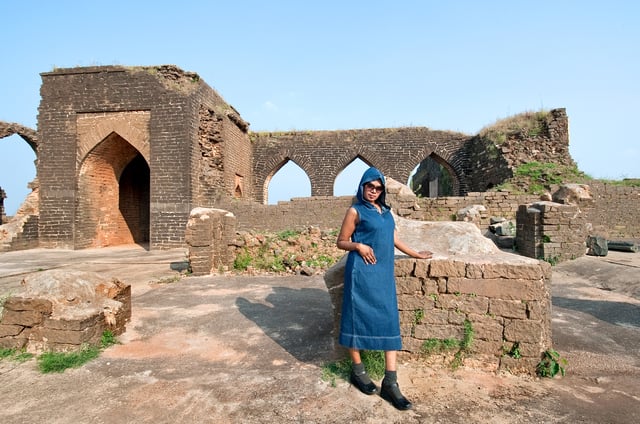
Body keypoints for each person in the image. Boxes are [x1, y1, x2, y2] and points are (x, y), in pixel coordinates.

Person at [336, 167, 432, 411]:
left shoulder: (387, 212)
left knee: (390, 321)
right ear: (362, 186)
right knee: (356, 319)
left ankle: (390, 382)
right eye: (370, 186)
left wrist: (416, 254)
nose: (374, 191)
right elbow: (341, 241)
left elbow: (394, 239)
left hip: (383, 275)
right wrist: (358, 246)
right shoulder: (355, 210)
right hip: (361, 273)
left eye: (378, 188)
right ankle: (358, 372)